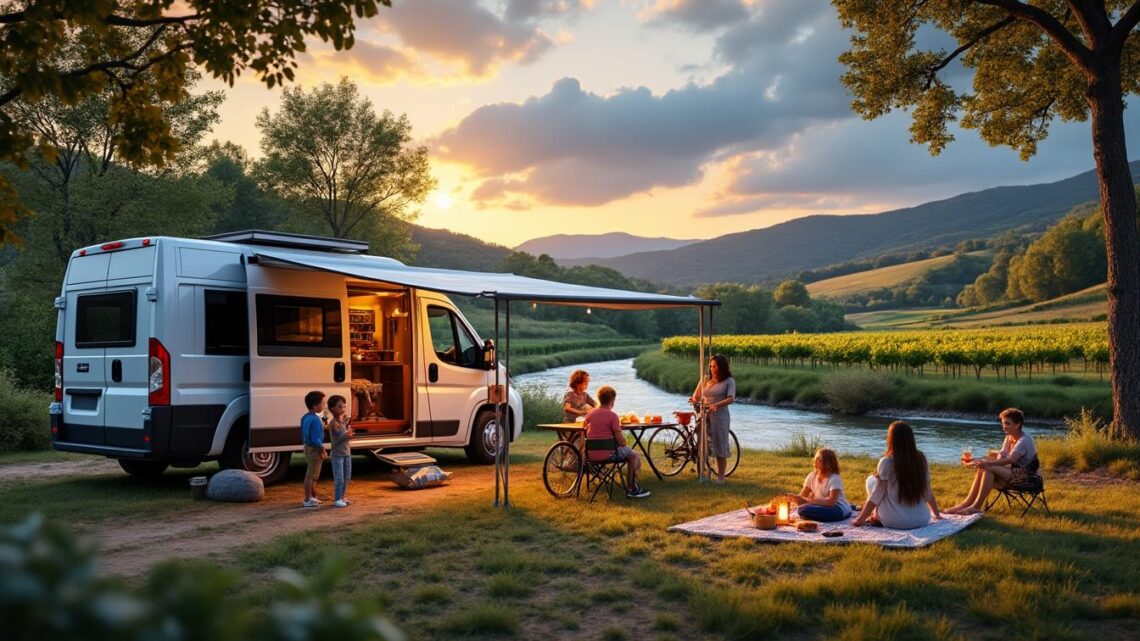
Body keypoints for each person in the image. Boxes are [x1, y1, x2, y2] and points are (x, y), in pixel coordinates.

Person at [946, 408, 1037, 515]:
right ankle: (967, 503)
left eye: (1007, 423)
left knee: (988, 467)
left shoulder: (1024, 440)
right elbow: (1000, 457)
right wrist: (976, 460)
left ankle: (976, 507)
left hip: (1028, 479)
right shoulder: (1009, 437)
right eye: (1003, 423)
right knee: (984, 468)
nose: (1003, 426)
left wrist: (987, 463)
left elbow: (1011, 459)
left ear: (1017, 425)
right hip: (1013, 473)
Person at [853, 421, 942, 529]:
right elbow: (927, 491)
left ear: (891, 439)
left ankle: (875, 515)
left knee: (871, 480)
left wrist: (860, 519)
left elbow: (877, 494)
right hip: (921, 519)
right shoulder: (921, 459)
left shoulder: (886, 462)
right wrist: (937, 514)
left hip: (893, 521)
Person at [585, 385, 650, 499]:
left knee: (627, 452)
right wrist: (623, 440)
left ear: (599, 399)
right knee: (633, 455)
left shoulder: (590, 414)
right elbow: (621, 443)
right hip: (608, 455)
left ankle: (632, 483)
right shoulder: (613, 416)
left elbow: (584, 430)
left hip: (590, 455)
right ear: (612, 400)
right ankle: (632, 488)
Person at [689, 354, 736, 484]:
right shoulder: (705, 379)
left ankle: (721, 477)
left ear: (721, 367)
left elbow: (731, 399)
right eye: (711, 366)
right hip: (704, 415)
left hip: (720, 416)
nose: (712, 369)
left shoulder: (729, 381)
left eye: (715, 366)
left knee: (720, 444)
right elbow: (696, 395)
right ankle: (702, 473)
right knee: (702, 443)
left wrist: (716, 405)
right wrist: (694, 400)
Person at [789, 448, 851, 522]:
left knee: (804, 510)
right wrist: (794, 498)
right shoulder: (812, 476)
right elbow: (803, 496)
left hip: (837, 508)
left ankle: (849, 507)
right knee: (802, 509)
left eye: (821, 460)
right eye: (817, 459)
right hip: (820, 506)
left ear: (829, 463)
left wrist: (807, 501)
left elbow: (831, 502)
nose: (817, 462)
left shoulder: (834, 478)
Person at [300, 390, 327, 508]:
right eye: (323, 403)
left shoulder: (305, 417)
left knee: (314, 474)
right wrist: (322, 451)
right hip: (314, 449)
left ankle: (312, 497)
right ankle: (307, 499)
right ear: (315, 405)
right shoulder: (315, 419)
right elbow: (316, 439)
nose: (324, 405)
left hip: (307, 447)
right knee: (311, 475)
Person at [327, 394, 354, 508]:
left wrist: (348, 434)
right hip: (337, 454)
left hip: (346, 453)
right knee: (339, 478)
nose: (342, 409)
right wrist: (347, 435)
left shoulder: (342, 422)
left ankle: (342, 496)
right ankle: (337, 498)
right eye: (339, 406)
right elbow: (337, 439)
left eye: (344, 406)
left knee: (347, 477)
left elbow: (344, 435)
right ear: (332, 408)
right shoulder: (334, 423)